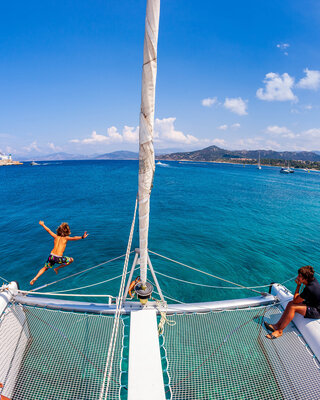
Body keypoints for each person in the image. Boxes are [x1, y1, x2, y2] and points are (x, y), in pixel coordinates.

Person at [264, 265, 320, 339]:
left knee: (293, 307)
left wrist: (298, 286)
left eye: (299, 276)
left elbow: (296, 301)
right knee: (290, 303)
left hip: (317, 311)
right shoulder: (312, 280)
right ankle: (277, 326)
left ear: (305, 278)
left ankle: (280, 331)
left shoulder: (310, 288)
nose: (297, 277)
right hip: (312, 303)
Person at [30, 221, 88, 285]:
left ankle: (35, 278)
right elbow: (74, 238)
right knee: (71, 260)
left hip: (51, 257)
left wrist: (43, 225)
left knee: (45, 268)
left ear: (59, 230)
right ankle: (57, 268)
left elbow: (49, 230)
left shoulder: (55, 236)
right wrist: (82, 237)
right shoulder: (66, 238)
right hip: (58, 258)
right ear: (67, 231)